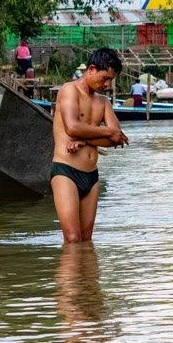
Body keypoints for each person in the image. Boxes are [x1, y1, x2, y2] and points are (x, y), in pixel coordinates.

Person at [51, 48, 128, 243]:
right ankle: (69, 274)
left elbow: (117, 139)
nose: (106, 84)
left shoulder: (103, 102)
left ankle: (88, 275)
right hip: (66, 171)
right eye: (104, 78)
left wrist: (86, 140)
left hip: (91, 177)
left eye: (110, 80)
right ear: (91, 69)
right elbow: (73, 128)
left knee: (86, 240)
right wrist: (108, 131)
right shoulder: (69, 90)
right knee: (73, 238)